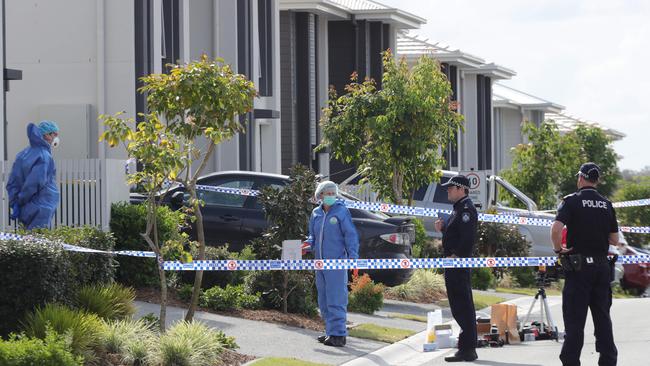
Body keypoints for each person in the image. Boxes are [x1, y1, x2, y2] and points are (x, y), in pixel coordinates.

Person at [551, 162, 618, 366]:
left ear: (580, 178)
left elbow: (555, 229)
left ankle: (571, 362)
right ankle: (608, 361)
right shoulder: (606, 204)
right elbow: (614, 239)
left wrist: (558, 249)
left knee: (575, 321)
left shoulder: (571, 201)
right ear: (596, 181)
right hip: (601, 268)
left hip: (579, 269)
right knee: (603, 320)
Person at [305, 181, 359, 347]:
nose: (330, 196)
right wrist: (305, 245)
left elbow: (351, 236)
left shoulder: (341, 211)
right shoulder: (316, 213)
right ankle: (330, 331)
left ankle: (339, 334)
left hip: (336, 264)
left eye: (332, 193)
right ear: (319, 195)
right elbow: (312, 237)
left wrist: (353, 258)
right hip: (319, 264)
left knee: (336, 298)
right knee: (323, 298)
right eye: (326, 194)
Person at [434, 175, 478, 362]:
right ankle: (466, 347)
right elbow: (457, 233)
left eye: (451, 188)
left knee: (463, 305)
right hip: (453, 262)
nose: (448, 191)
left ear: (461, 189)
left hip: (458, 264)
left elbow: (467, 238)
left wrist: (457, 256)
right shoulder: (458, 209)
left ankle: (467, 348)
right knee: (458, 305)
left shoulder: (466, 209)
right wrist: (444, 229)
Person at [6, 121, 60, 229]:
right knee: (38, 241)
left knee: (27, 241)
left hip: (26, 207)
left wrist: (15, 202)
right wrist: (22, 199)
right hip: (41, 205)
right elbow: (35, 182)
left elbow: (13, 181)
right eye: (55, 134)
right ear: (47, 135)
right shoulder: (44, 156)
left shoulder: (23, 154)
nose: (56, 137)